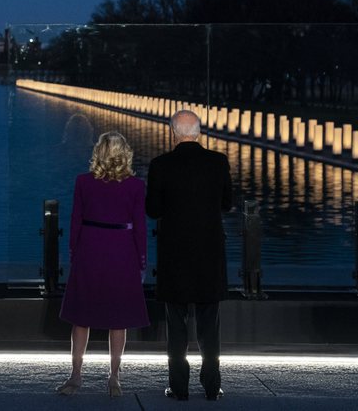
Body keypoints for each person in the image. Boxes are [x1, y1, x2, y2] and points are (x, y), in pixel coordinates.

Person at [146, 110, 233, 402]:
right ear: (198, 133)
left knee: (176, 324)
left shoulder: (160, 165)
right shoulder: (218, 162)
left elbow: (153, 210)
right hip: (209, 253)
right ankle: (212, 386)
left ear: (173, 133)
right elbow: (228, 203)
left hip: (175, 255)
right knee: (210, 326)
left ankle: (179, 387)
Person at [57, 131, 149, 398]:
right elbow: (140, 228)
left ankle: (76, 375)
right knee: (118, 318)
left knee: (81, 316)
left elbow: (75, 221)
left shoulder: (83, 182)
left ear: (98, 152)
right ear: (124, 154)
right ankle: (114, 377)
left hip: (90, 248)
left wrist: (74, 253)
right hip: (122, 250)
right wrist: (141, 260)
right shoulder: (135, 186)